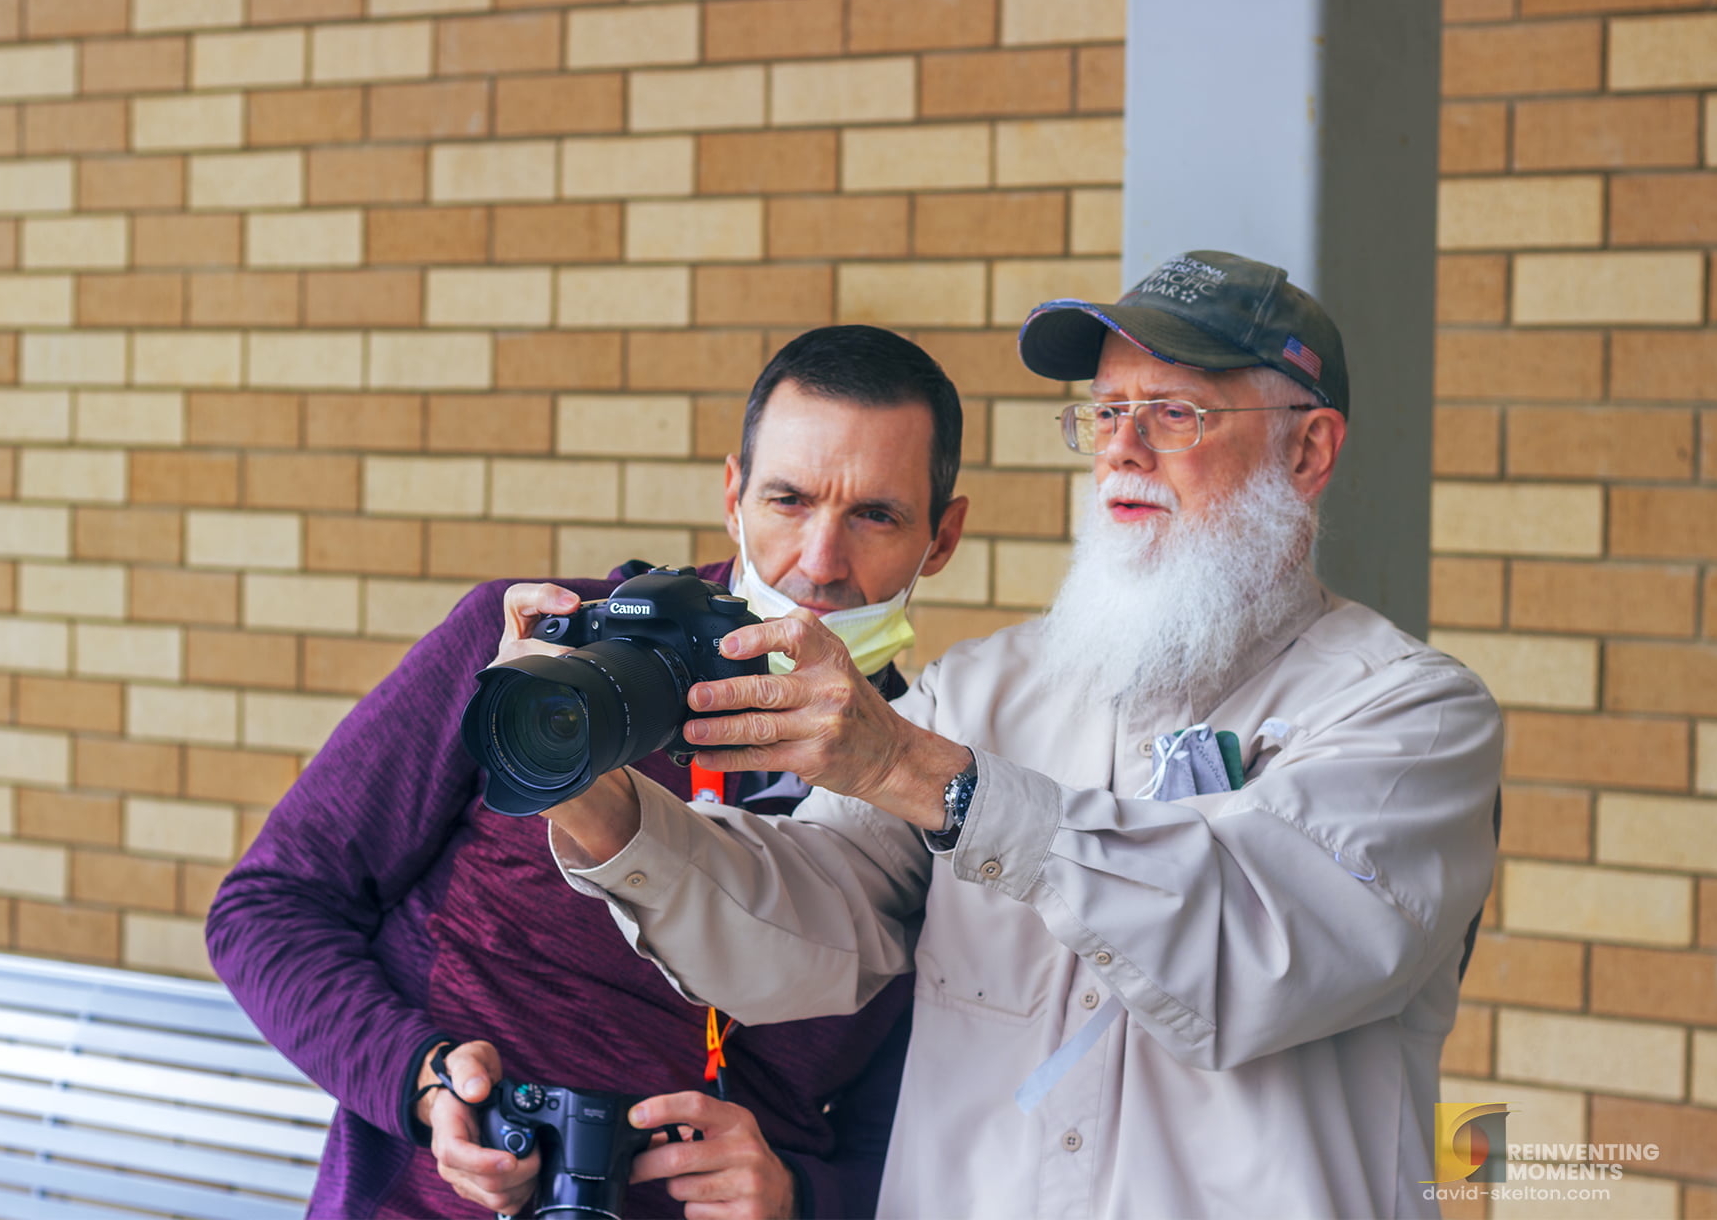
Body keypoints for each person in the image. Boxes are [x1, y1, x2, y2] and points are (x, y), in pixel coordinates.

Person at [526, 252, 1503, 1218]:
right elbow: (804, 934)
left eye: (1175, 412)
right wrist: (594, 798)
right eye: (1106, 411)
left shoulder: (1411, 717)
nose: (1123, 446)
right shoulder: (985, 689)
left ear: (1308, 450)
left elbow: (1251, 954)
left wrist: (919, 771)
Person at [206, 324, 969, 1219]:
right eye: (788, 501)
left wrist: (803, 1195)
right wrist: (421, 1082)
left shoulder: (933, 785)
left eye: (875, 515)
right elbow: (267, 905)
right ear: (733, 495)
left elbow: (911, 1132)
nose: (818, 563)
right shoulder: (531, 660)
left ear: (943, 536)